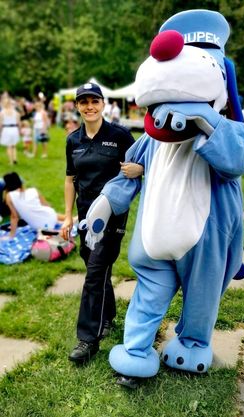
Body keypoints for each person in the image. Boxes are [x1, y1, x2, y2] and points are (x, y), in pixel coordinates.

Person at [60, 82, 143, 364]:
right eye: (83, 102)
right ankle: (107, 316)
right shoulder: (73, 140)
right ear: (78, 106)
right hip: (85, 217)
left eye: (94, 101)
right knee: (97, 268)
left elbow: (145, 163)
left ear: (103, 104)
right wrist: (69, 215)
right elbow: (70, 179)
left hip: (112, 217)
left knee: (95, 272)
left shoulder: (120, 135)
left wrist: (139, 168)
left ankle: (87, 339)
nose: (89, 106)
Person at [2, 172, 67, 239]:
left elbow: (14, 217)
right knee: (51, 215)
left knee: (44, 232)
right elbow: (47, 206)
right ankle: (68, 220)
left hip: (41, 226)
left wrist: (11, 235)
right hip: (51, 216)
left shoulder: (9, 196)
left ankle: (59, 229)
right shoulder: (33, 190)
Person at [0, 96, 21, 165]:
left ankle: (11, 161)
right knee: (13, 145)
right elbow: (18, 122)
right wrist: (19, 130)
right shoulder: (15, 112)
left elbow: (1, 123)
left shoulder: (2, 112)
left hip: (6, 129)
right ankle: (15, 158)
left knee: (8, 146)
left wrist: (0, 131)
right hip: (14, 129)